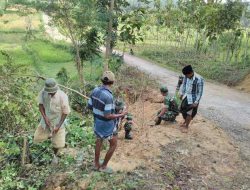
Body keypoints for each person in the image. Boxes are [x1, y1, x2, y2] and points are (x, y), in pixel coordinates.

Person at [88, 71, 127, 173]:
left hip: (97, 122)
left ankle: (96, 164)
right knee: (113, 144)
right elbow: (108, 115)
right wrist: (121, 115)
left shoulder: (95, 90)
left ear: (102, 80)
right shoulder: (108, 96)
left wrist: (98, 111)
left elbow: (89, 106)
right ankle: (103, 166)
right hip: (107, 124)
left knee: (99, 141)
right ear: (112, 82)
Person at [34, 78, 70, 164]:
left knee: (59, 145)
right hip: (45, 121)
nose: (50, 93)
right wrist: (45, 117)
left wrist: (58, 126)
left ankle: (55, 155)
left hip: (58, 122)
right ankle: (49, 140)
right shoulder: (43, 92)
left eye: (52, 92)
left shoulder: (62, 96)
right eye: (49, 92)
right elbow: (40, 105)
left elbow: (65, 112)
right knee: (37, 139)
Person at [179, 65, 204, 133]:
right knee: (183, 110)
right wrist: (182, 93)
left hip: (193, 99)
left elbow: (200, 92)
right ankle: (185, 121)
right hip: (186, 96)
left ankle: (186, 126)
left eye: (187, 75)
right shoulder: (186, 76)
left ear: (190, 73)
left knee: (189, 113)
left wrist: (196, 102)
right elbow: (184, 84)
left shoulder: (199, 79)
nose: (186, 77)